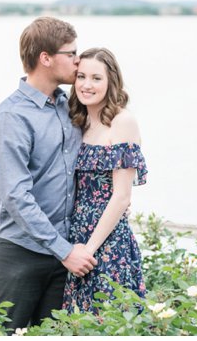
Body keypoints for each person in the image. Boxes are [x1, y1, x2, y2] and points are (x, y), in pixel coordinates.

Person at [0, 18, 97, 331]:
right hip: (16, 255)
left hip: (63, 254)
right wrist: (65, 252)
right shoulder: (12, 116)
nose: (78, 60)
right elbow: (16, 196)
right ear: (45, 58)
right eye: (71, 53)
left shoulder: (68, 106)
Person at [62, 47, 147, 312]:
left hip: (106, 241)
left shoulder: (123, 122)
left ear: (111, 81)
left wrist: (89, 249)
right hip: (74, 239)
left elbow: (122, 196)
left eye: (96, 78)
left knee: (108, 319)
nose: (87, 85)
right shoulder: (78, 119)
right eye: (81, 77)